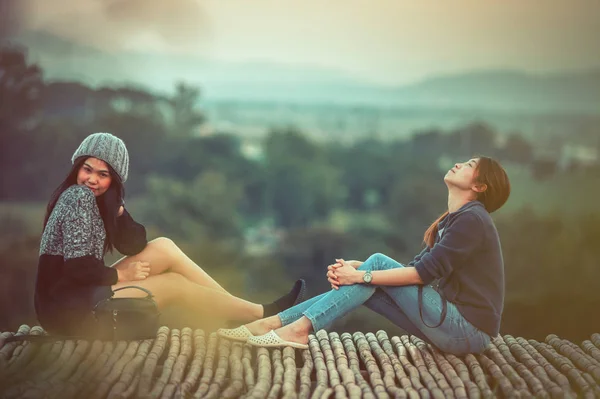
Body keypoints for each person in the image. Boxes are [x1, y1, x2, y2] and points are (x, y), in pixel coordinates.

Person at [218, 156, 510, 355]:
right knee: (371, 277)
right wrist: (361, 270)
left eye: (469, 165)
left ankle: (298, 329)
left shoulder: (473, 219)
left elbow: (422, 275)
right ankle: (274, 323)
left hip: (467, 331)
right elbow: (415, 268)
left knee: (378, 263)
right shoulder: (455, 219)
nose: (458, 163)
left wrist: (361, 274)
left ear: (479, 186)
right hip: (452, 327)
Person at [34, 132, 305, 336]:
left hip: (78, 295)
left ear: (114, 181)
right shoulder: (77, 197)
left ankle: (241, 314)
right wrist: (120, 276)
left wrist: (118, 211)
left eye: (103, 175)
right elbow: (78, 268)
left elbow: (135, 244)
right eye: (87, 169)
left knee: (163, 246)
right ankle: (262, 315)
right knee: (175, 284)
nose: (92, 179)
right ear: (76, 167)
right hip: (66, 309)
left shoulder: (98, 203)